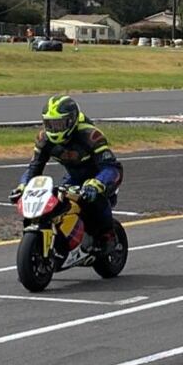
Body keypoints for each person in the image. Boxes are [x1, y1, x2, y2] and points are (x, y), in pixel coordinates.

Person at [13, 95, 124, 250]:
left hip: (100, 176)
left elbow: (112, 167)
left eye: (59, 123)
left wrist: (98, 183)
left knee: (96, 200)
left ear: (71, 120)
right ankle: (58, 238)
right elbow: (34, 168)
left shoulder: (90, 135)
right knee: (56, 203)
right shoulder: (44, 139)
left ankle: (108, 235)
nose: (55, 129)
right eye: (50, 124)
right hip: (73, 178)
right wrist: (23, 185)